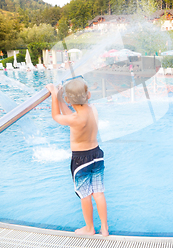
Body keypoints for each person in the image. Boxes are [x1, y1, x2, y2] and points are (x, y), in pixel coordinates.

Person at [45, 77, 109, 236]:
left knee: (85, 195)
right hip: (97, 155)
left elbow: (57, 116)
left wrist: (54, 94)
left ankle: (89, 228)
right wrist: (61, 99)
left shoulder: (74, 119)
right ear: (88, 95)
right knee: (98, 193)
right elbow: (69, 114)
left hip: (81, 161)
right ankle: (105, 228)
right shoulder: (92, 109)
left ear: (68, 99)